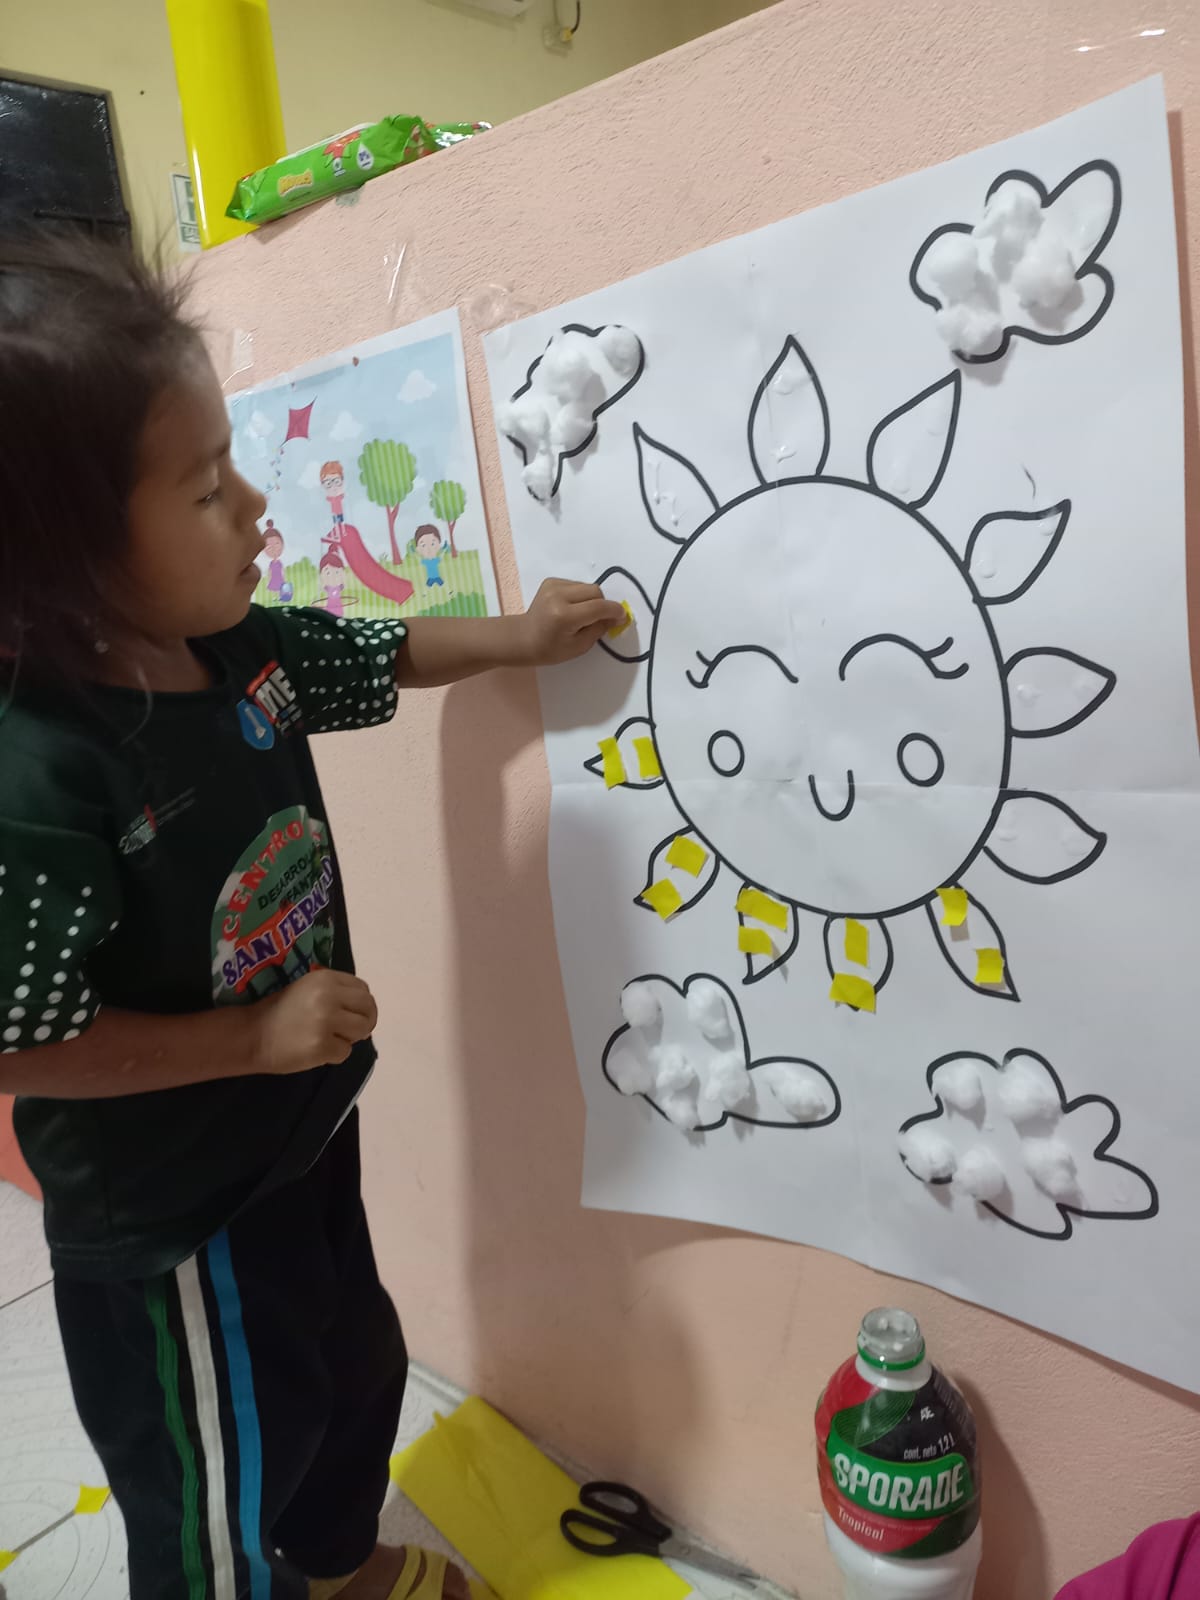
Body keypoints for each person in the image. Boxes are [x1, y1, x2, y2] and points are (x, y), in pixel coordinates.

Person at [0, 232, 626, 1600]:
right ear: (63, 552)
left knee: (352, 1369)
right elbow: (21, 1048)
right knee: (221, 1481)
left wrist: (521, 635)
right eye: (208, 488)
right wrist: (250, 1038)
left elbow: (378, 652)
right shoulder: (38, 772)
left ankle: (338, 1566)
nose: (255, 509)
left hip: (299, 1137)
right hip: (173, 1222)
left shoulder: (236, 649)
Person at [318, 547, 352, 618]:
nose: (333, 576)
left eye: (337, 572)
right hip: (330, 607)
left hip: (338, 608)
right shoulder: (327, 587)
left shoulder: (339, 587)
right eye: (328, 573)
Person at [414, 524, 448, 590]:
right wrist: (414, 553)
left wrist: (444, 549)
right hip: (430, 578)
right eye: (423, 545)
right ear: (418, 548)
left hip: (437, 577)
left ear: (439, 544)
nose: (429, 549)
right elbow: (418, 559)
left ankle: (449, 592)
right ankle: (424, 594)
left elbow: (441, 555)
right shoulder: (426, 561)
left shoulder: (435, 560)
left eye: (433, 544)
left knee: (442, 584)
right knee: (428, 587)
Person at [321, 459, 347, 532]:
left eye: (337, 481)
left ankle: (342, 530)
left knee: (341, 520)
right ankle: (337, 530)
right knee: (336, 522)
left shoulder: (341, 497)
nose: (333, 487)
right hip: (334, 512)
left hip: (340, 511)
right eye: (328, 483)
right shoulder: (328, 500)